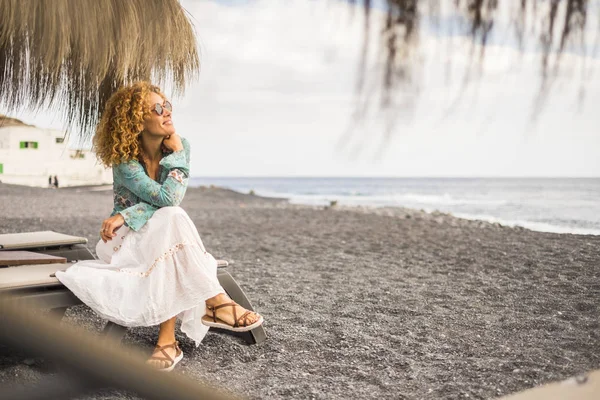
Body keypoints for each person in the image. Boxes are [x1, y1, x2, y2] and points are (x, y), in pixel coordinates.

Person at [56, 82, 263, 372]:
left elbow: (170, 202)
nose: (166, 112)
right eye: (156, 108)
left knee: (171, 222)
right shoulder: (124, 160)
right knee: (172, 219)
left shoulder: (180, 146)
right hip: (123, 241)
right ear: (135, 120)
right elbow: (167, 198)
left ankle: (167, 341)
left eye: (167, 105)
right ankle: (214, 302)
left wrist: (128, 213)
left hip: (158, 234)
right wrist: (126, 220)